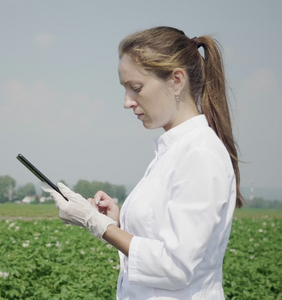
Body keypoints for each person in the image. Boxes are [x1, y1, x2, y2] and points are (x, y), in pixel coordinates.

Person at [41, 26, 244, 299]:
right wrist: (116, 222)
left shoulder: (200, 154)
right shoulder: (173, 151)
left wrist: (97, 224)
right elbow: (160, 240)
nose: (127, 102)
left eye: (136, 88)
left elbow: (175, 267)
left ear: (176, 81)